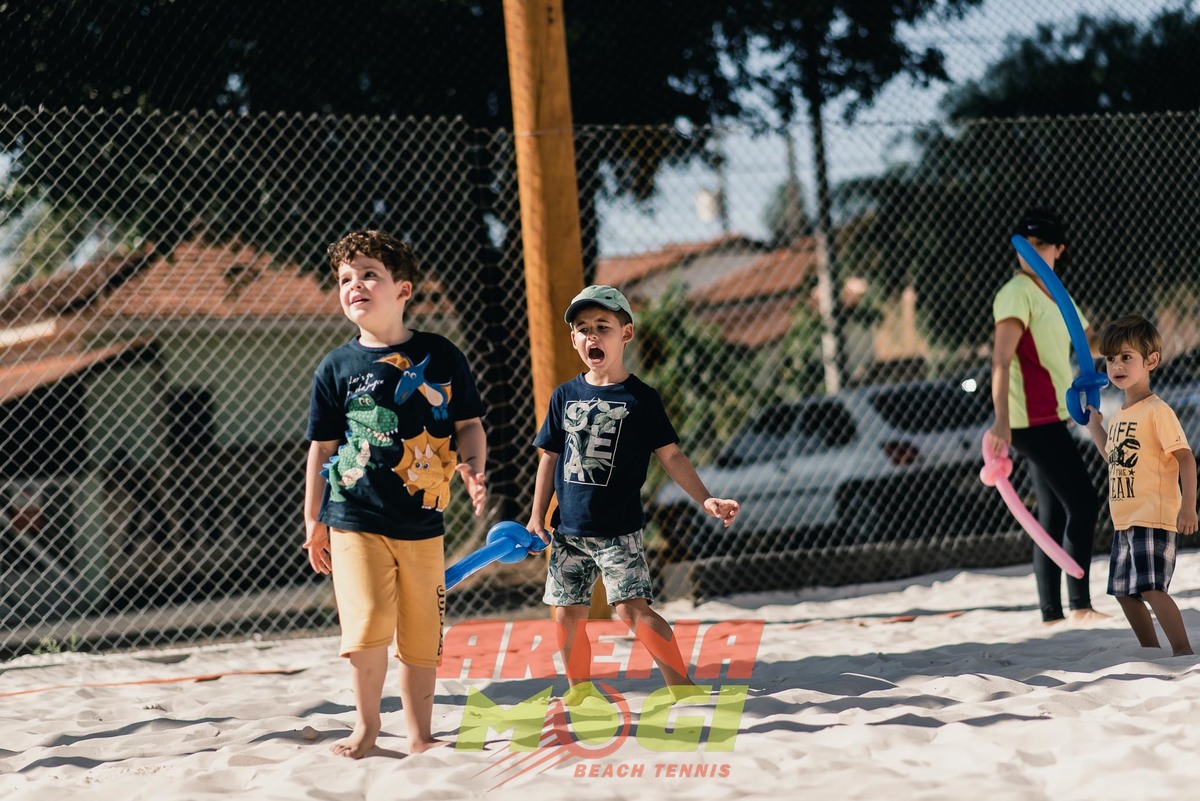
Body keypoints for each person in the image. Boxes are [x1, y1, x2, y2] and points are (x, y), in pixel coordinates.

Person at [303, 230, 487, 758]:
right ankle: (366, 729)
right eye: (345, 278)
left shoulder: (441, 354)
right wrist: (314, 518)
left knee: (422, 636)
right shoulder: (335, 368)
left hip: (424, 522)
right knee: (366, 628)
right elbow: (322, 448)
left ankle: (419, 735)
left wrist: (473, 467)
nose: (355, 285)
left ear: (403, 290)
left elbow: (469, 424)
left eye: (369, 275)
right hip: (354, 517)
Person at [525, 284, 740, 706]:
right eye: (582, 328)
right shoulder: (564, 396)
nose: (591, 335)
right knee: (567, 616)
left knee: (631, 610)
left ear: (626, 334)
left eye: (602, 326)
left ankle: (681, 687)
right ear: (573, 339)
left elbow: (672, 455)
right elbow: (549, 458)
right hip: (568, 532)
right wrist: (536, 516)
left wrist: (705, 499)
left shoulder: (641, 399)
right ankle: (579, 692)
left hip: (618, 532)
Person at [984, 208, 1105, 625]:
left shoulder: (1057, 293)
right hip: (1029, 421)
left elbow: (1089, 342)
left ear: (1059, 249)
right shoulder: (1017, 292)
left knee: (1053, 513)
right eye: (1027, 244)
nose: (1033, 252)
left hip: (1051, 416)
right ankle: (1080, 606)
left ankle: (1052, 613)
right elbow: (1001, 359)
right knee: (1084, 504)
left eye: (1042, 245)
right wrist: (1001, 420)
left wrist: (1128, 341)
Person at [1083, 315, 1196, 655]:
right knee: (1123, 592)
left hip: (1153, 515)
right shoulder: (1121, 414)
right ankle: (1150, 651)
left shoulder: (1157, 411)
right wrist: (1094, 426)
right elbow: (1113, 457)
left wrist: (1188, 507)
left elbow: (1185, 458)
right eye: (1110, 358)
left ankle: (1182, 652)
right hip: (1125, 520)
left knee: (1151, 588)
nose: (1116, 365)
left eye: (1126, 357)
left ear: (1151, 361)